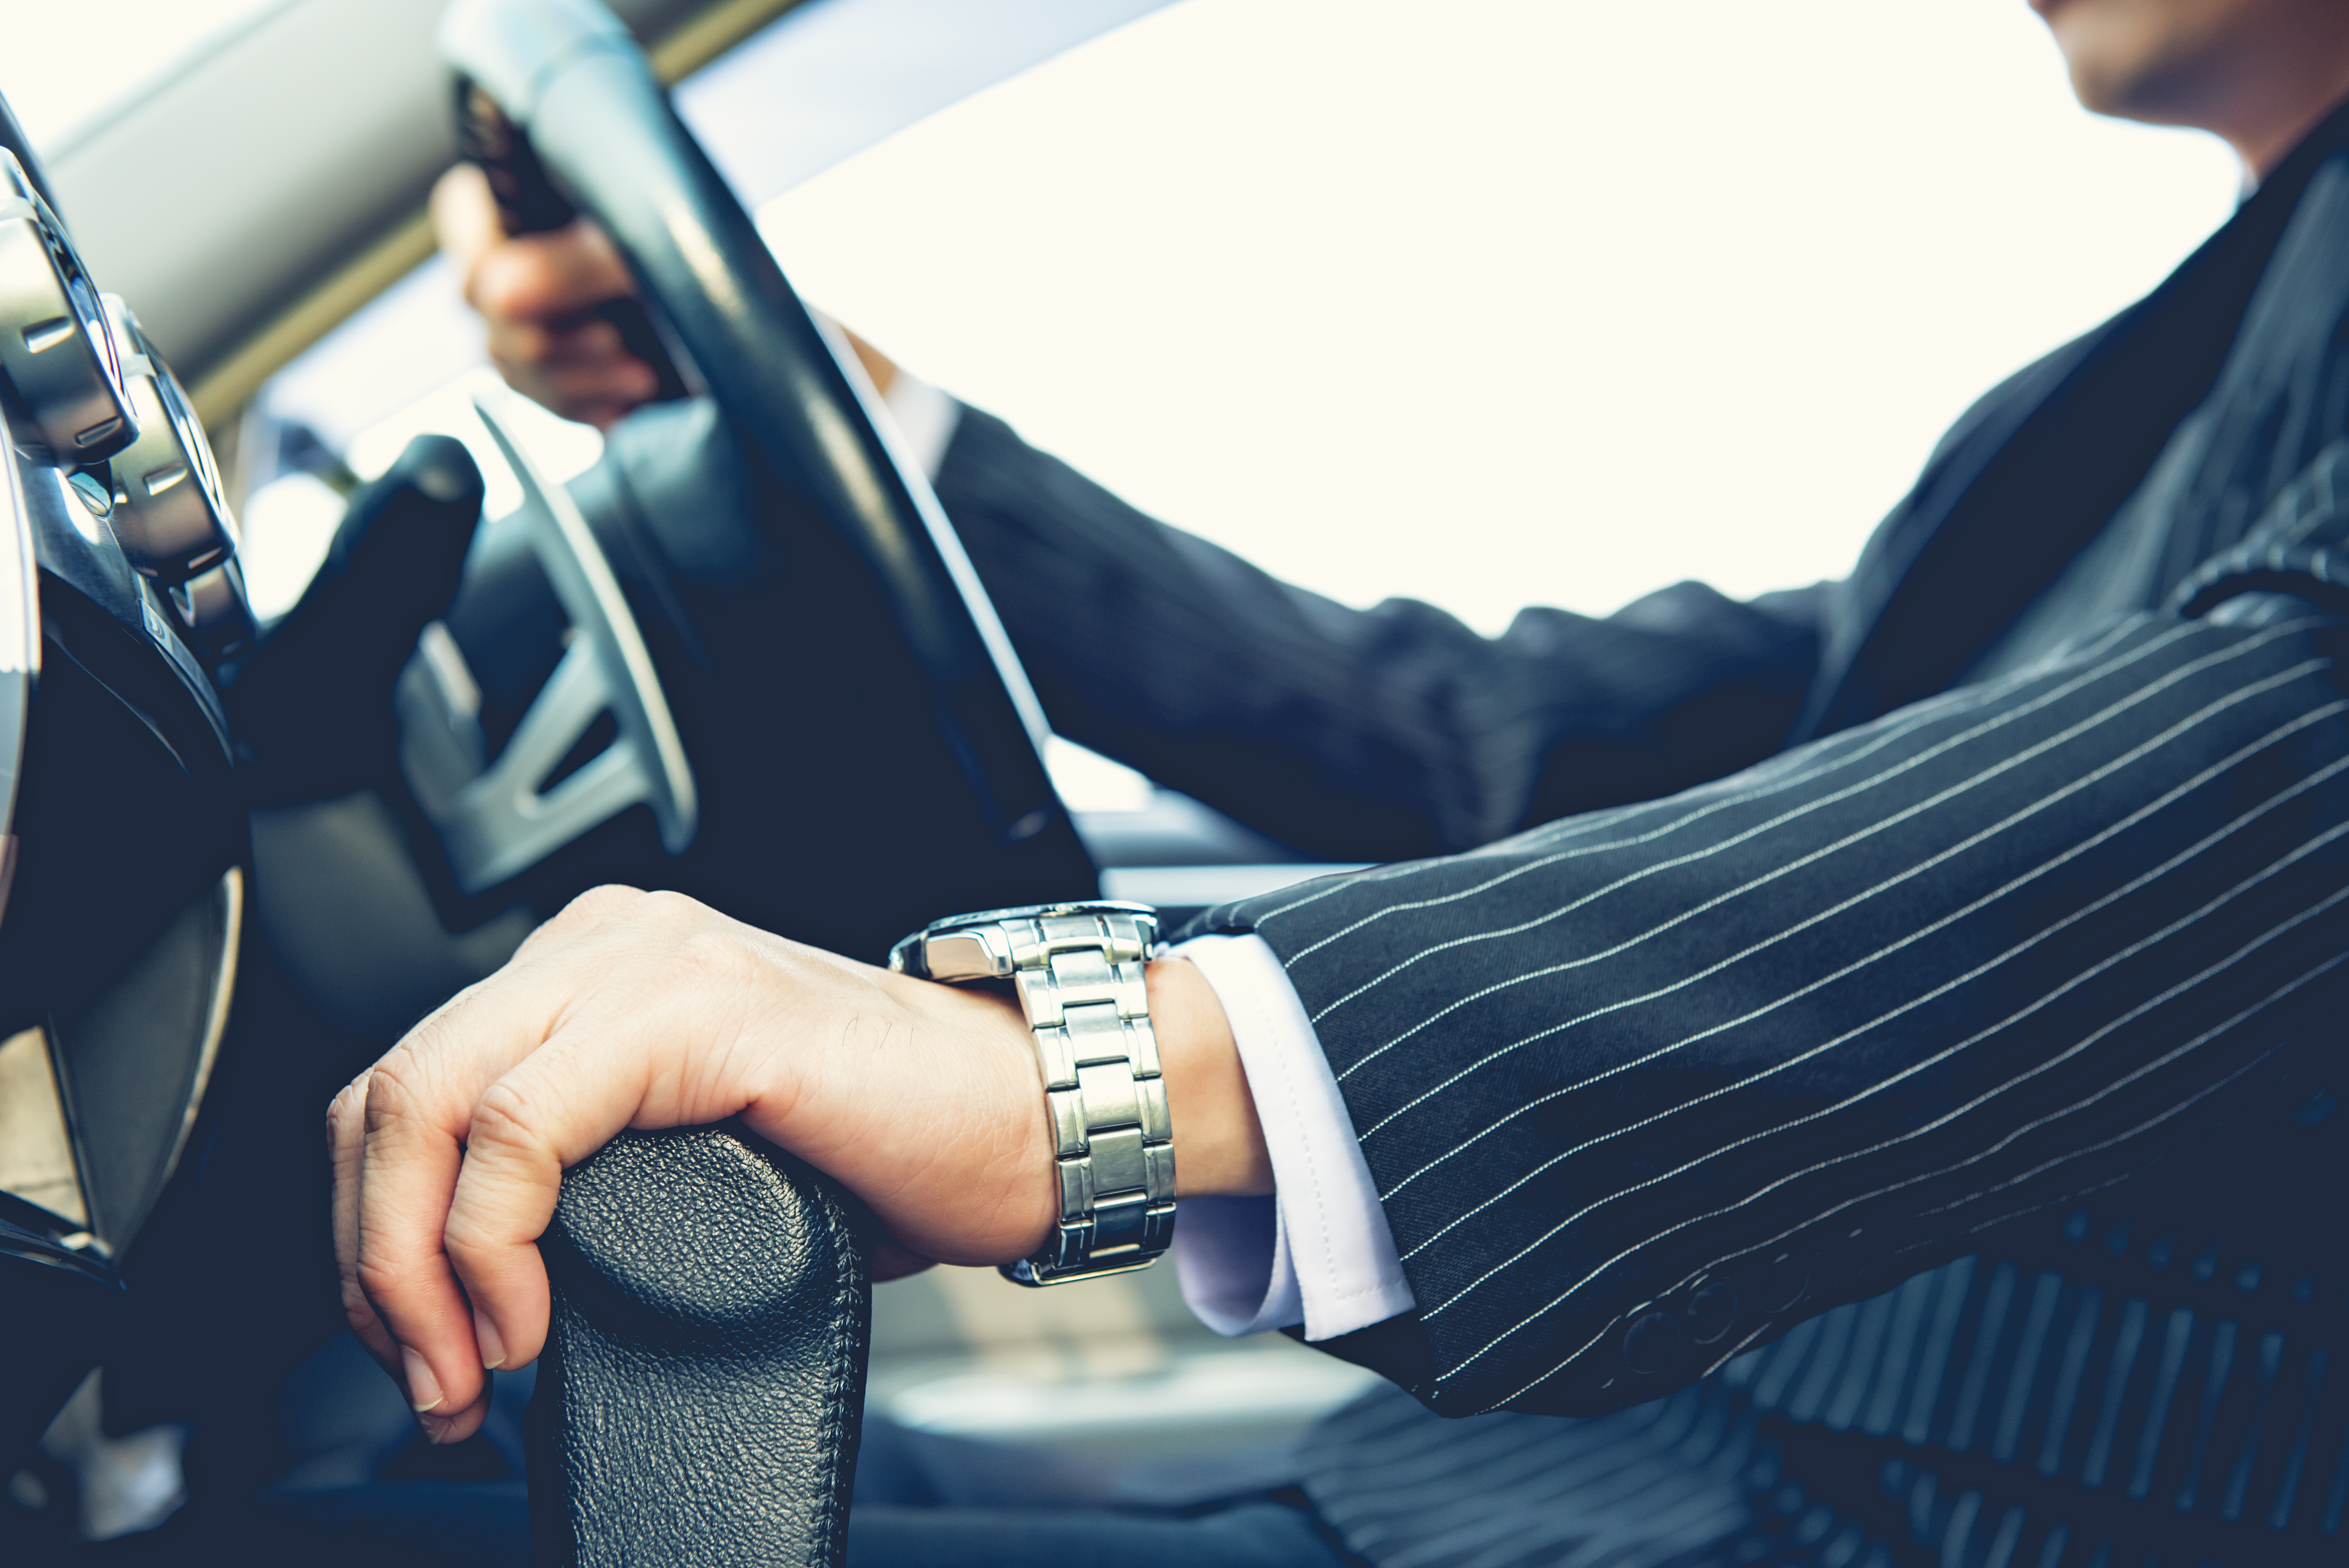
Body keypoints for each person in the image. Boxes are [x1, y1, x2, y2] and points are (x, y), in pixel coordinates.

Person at [340, 0, 2349, 1562]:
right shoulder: (2148, 377)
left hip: (1951, 1513)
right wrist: (854, 426)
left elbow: (2267, 772)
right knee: (455, 1465)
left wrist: (1072, 1070)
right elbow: (1487, 743)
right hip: (1615, 1479)